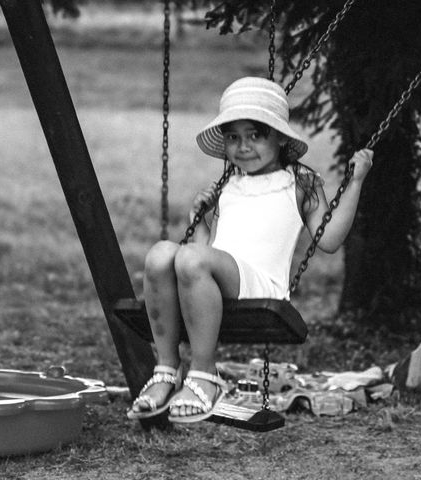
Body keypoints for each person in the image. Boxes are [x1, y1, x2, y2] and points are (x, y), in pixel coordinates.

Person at [127, 76, 373, 423]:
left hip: (261, 285)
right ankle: (167, 369)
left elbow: (330, 239)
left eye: (255, 135)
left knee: (188, 258)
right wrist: (199, 221)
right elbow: (197, 262)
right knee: (160, 254)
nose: (243, 147)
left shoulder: (300, 181)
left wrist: (356, 181)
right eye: (233, 137)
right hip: (222, 281)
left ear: (280, 138)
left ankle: (205, 375)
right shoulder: (229, 185)